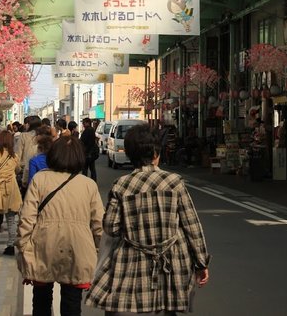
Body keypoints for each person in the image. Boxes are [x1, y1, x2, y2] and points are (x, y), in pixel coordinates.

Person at [86, 124, 210, 315]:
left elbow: (111, 227)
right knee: (167, 309)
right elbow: (192, 226)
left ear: (129, 154)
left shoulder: (121, 185)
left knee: (130, 307)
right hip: (172, 264)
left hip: (131, 262)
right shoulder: (174, 182)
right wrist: (201, 263)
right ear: (156, 153)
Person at [16, 136, 104, 316]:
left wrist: (24, 249)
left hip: (43, 244)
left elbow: (26, 219)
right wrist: (96, 252)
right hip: (78, 248)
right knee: (72, 303)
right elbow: (99, 226)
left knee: (41, 301)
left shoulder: (40, 179)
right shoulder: (89, 185)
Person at [17, 115, 42, 195]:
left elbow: (17, 154)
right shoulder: (44, 137)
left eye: (26, 123)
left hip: (25, 171)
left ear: (29, 125)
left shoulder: (23, 136)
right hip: (41, 170)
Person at [79, 118, 99, 182]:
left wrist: (85, 152)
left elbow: (84, 141)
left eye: (84, 123)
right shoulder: (91, 130)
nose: (83, 124)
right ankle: (94, 181)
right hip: (91, 152)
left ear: (87, 123)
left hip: (87, 152)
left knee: (85, 168)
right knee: (92, 168)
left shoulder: (88, 130)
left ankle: (85, 181)